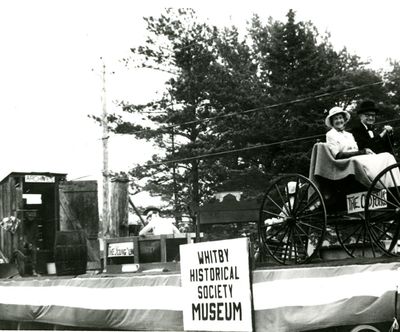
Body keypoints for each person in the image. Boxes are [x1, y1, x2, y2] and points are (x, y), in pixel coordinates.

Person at [325, 106, 399, 187]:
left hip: (357, 158)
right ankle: (379, 184)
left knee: (387, 156)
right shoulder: (330, 134)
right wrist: (363, 151)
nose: (339, 121)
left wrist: (364, 152)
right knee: (374, 163)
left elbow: (356, 149)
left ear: (344, 120)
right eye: (336, 119)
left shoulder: (349, 135)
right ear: (332, 122)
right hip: (346, 162)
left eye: (340, 118)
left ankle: (395, 185)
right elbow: (338, 155)